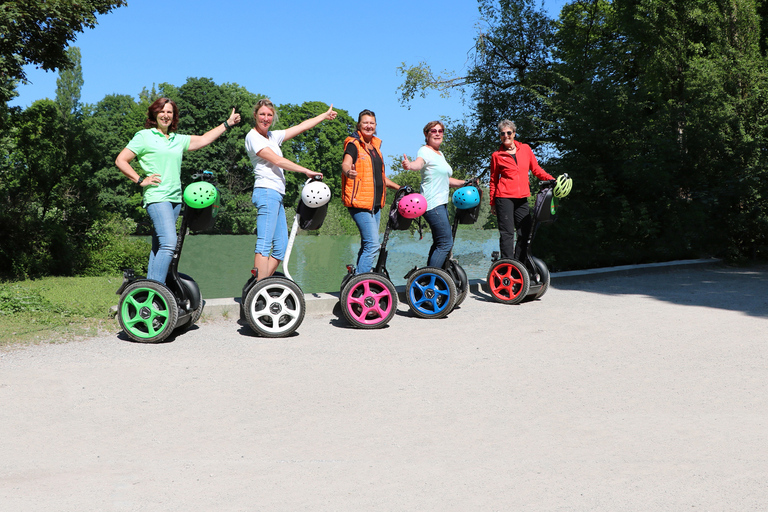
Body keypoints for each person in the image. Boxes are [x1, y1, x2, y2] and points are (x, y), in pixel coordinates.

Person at [115, 98, 241, 284]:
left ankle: (150, 290)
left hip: (175, 199)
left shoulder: (176, 139)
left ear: (173, 116)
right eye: (162, 111)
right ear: (154, 114)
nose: (166, 115)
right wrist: (141, 180)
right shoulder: (144, 136)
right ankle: (157, 292)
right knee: (169, 244)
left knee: (159, 245)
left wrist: (227, 124)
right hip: (157, 197)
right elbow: (121, 160)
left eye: (170, 112)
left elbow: (205, 139)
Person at [246, 98, 337, 280]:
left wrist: (324, 116)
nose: (266, 118)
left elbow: (302, 126)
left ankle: (261, 285)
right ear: (255, 115)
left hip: (277, 194)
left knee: (280, 247)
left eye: (269, 115)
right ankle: (257, 290)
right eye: (262, 114)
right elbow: (278, 161)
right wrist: (305, 171)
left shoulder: (272, 137)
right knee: (264, 244)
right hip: (266, 192)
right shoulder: (252, 137)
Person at [341, 110, 400, 273]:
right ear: (359, 125)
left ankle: (357, 281)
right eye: (365, 122)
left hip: (375, 206)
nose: (368, 126)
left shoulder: (375, 148)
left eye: (371, 123)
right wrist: (348, 172)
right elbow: (346, 164)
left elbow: (381, 178)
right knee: (373, 245)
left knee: (368, 245)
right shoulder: (354, 144)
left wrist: (400, 188)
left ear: (375, 126)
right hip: (360, 204)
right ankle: (361, 284)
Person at [402, 120, 465, 268]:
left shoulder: (440, 154)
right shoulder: (425, 150)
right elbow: (418, 164)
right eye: (433, 131)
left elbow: (445, 179)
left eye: (440, 131)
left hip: (441, 204)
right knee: (446, 242)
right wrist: (410, 165)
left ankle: (431, 276)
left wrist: (465, 182)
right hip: (432, 204)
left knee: (439, 242)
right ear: (426, 134)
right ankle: (432, 278)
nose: (437, 133)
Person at [489, 119, 554, 261]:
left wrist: (551, 179)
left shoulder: (525, 149)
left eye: (508, 132)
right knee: (507, 234)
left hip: (522, 197)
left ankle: (520, 264)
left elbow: (536, 169)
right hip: (503, 197)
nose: (506, 136)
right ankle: (508, 265)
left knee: (525, 232)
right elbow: (493, 180)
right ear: (500, 135)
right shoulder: (496, 155)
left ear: (514, 133)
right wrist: (492, 203)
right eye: (502, 133)